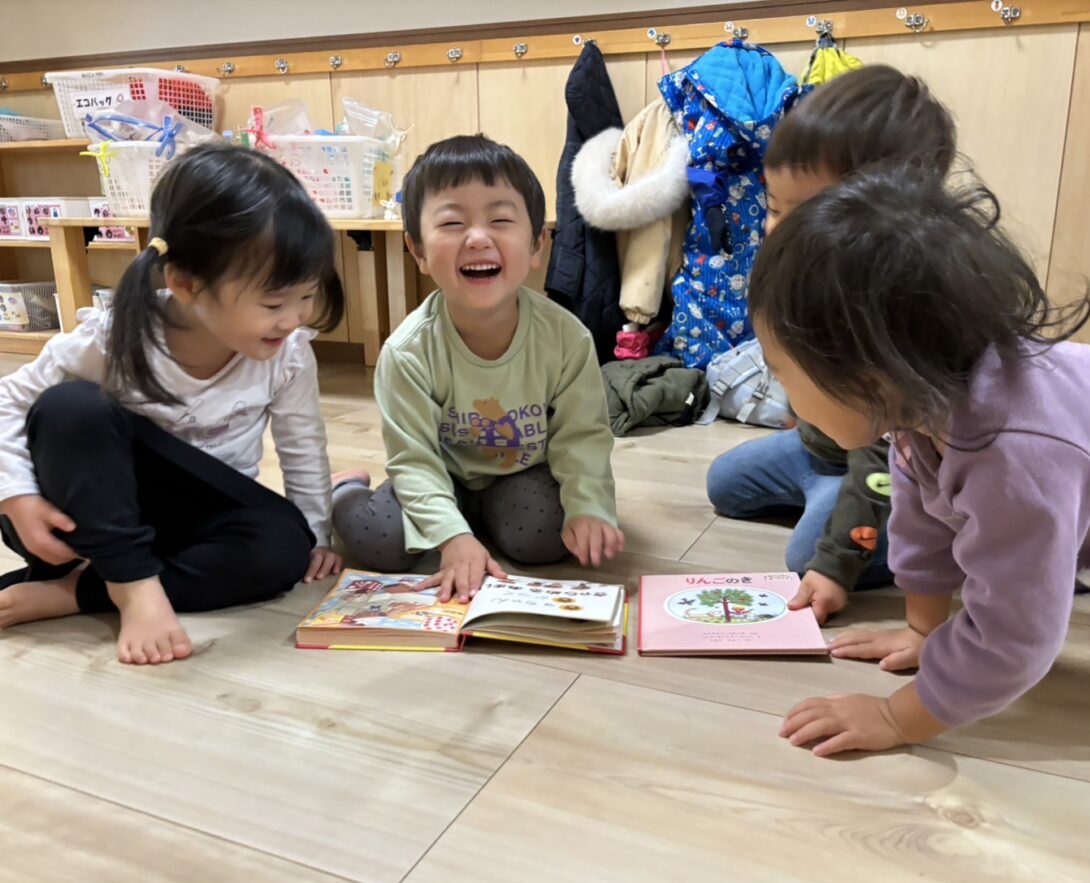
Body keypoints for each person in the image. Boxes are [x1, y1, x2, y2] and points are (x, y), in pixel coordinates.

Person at [753, 166, 1090, 755]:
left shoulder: (1015, 456)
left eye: (781, 370)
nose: (779, 389)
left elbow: (1014, 636)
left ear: (864, 379)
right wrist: (924, 632)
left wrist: (896, 717)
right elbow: (922, 529)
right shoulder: (923, 401)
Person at [0, 143, 345, 665]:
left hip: (196, 525)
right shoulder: (114, 338)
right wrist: (16, 496)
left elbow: (303, 444)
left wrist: (317, 534)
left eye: (307, 296)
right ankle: (133, 586)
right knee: (70, 408)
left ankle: (79, 593)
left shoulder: (290, 353)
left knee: (283, 547)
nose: (294, 317)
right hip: (92, 519)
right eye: (274, 302)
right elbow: (8, 403)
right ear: (186, 283)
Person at [705, 65, 957, 623]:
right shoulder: (809, 276)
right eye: (773, 209)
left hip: (889, 469)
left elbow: (887, 453)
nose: (778, 232)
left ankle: (938, 536)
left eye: (803, 215)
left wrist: (837, 561)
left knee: (810, 559)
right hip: (823, 449)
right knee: (724, 483)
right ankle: (826, 489)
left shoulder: (890, 319)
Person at [333, 135, 623, 602]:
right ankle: (345, 489)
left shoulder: (567, 339)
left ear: (537, 244)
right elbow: (414, 459)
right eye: (452, 222)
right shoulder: (408, 352)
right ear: (418, 251)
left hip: (519, 473)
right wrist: (451, 537)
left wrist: (589, 507)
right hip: (439, 474)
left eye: (500, 220)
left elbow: (582, 436)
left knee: (546, 537)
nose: (478, 237)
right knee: (379, 541)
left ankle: (484, 517)